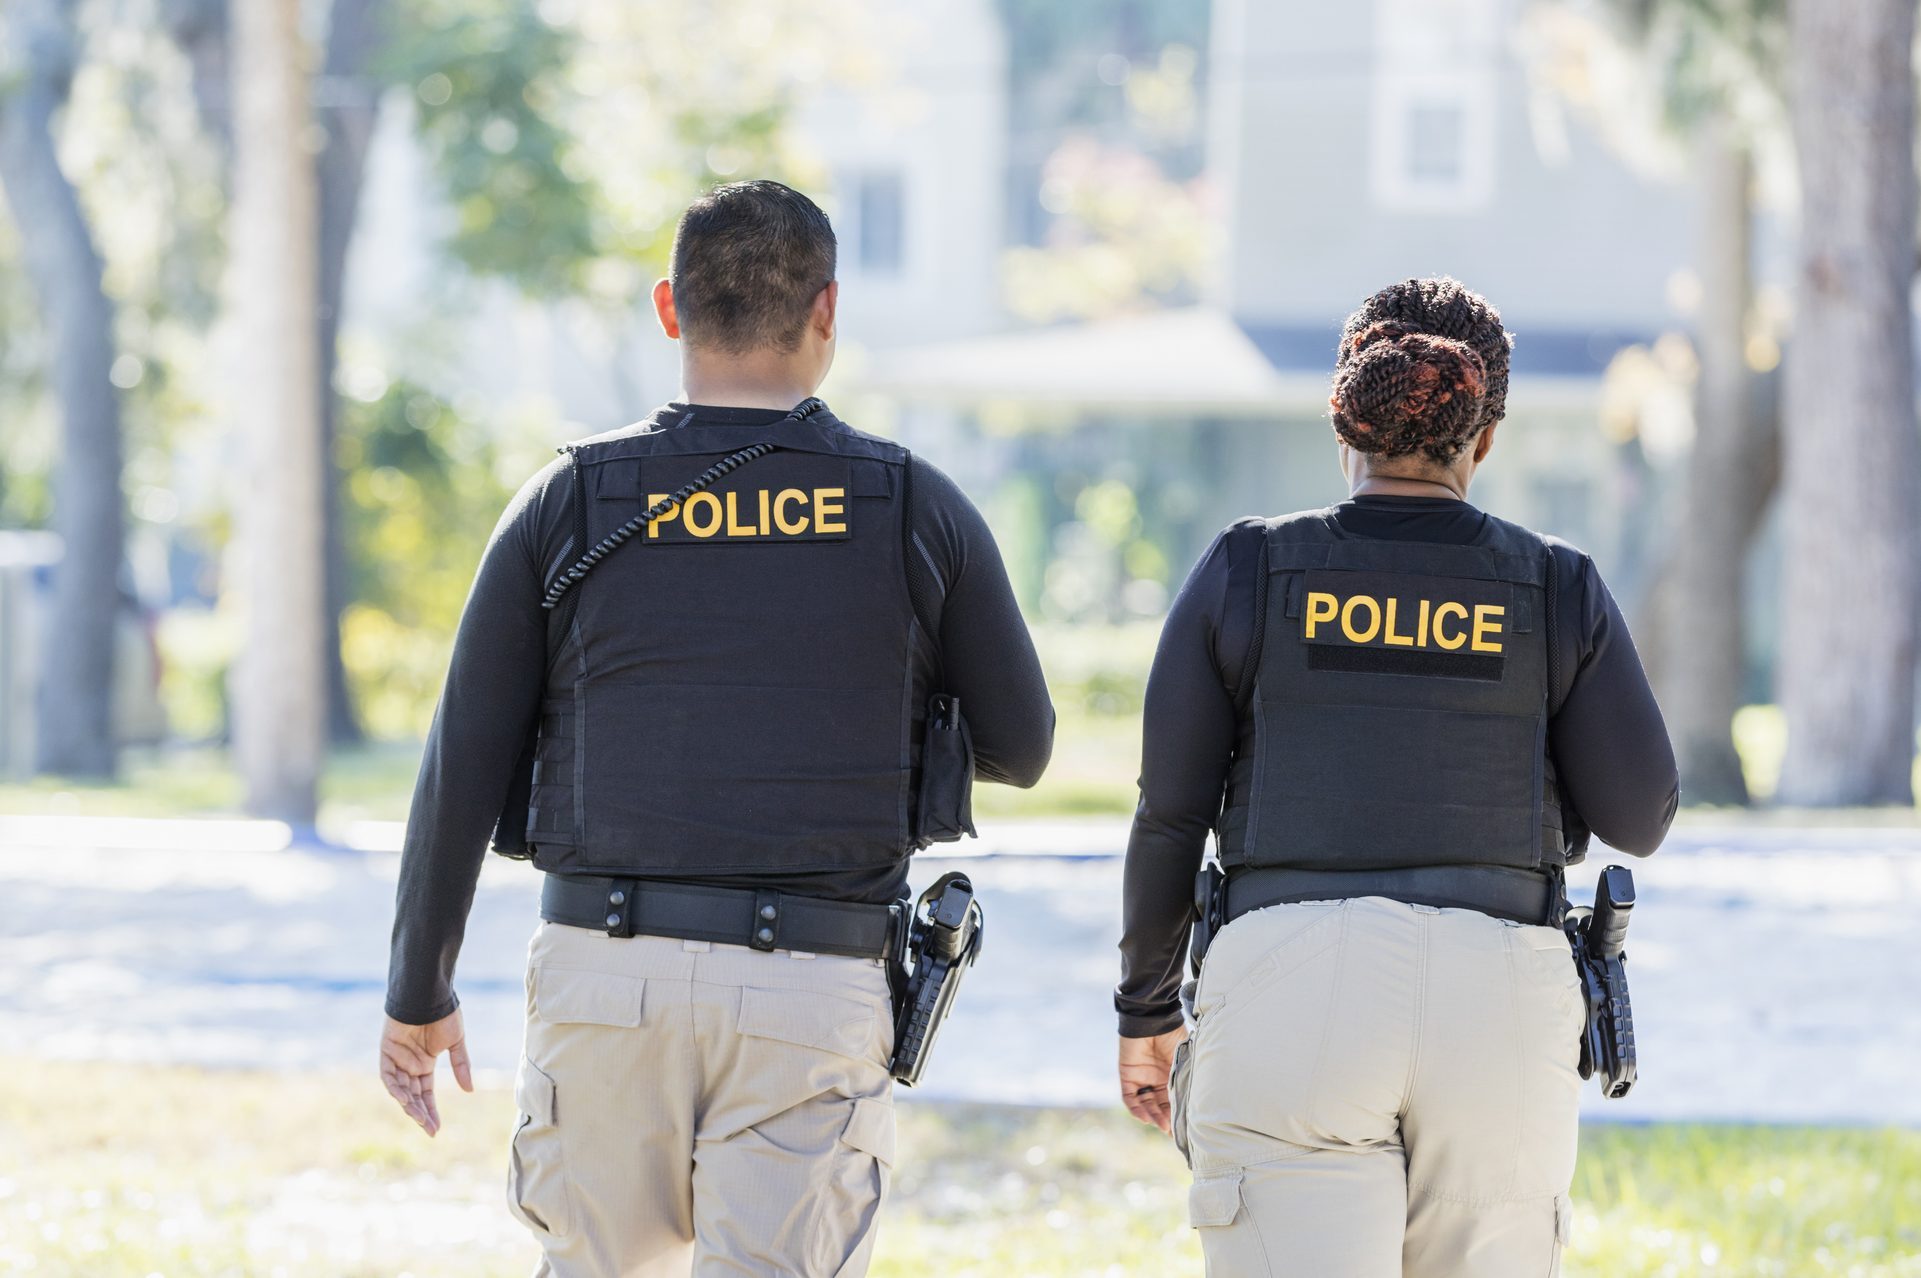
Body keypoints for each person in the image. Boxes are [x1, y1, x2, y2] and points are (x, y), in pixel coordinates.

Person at [379, 179, 1054, 1278]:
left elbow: (463, 761)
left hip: (604, 976)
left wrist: (419, 990)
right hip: (814, 989)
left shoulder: (567, 498)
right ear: (828, 311)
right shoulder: (913, 505)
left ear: (668, 310)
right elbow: (1021, 746)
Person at [1115, 277, 1678, 1277]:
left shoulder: (1250, 569)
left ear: (1348, 424)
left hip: (1288, 984)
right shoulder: (1555, 586)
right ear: (1485, 434)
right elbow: (1640, 816)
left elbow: (1169, 816)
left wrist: (1145, 1012)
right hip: (1500, 995)